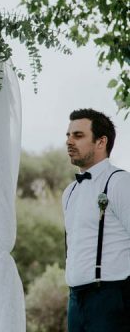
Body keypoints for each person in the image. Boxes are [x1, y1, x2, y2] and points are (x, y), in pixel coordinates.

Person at [63, 108, 130, 331]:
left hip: (111, 298)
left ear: (101, 142)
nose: (69, 141)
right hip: (75, 300)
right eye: (68, 135)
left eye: (78, 135)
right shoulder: (69, 192)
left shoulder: (119, 183)